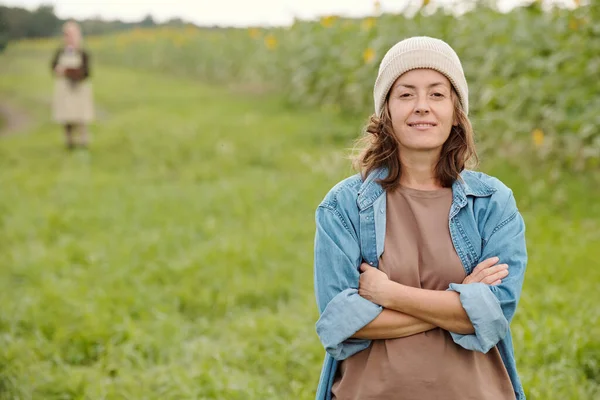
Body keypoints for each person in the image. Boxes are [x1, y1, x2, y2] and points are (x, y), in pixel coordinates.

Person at [313, 36, 527, 400]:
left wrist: (388, 294)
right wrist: (460, 303)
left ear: (456, 110)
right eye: (406, 94)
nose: (422, 107)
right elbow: (342, 325)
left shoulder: (493, 203)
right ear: (386, 111)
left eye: (437, 94)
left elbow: (494, 315)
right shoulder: (343, 206)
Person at [51, 20, 94, 150]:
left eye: (72, 34)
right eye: (67, 35)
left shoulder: (82, 53)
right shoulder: (60, 52)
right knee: (67, 116)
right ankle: (69, 142)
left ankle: (83, 141)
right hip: (65, 89)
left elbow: (85, 72)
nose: (69, 38)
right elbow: (53, 67)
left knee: (81, 116)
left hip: (79, 89)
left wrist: (66, 71)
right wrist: (58, 70)